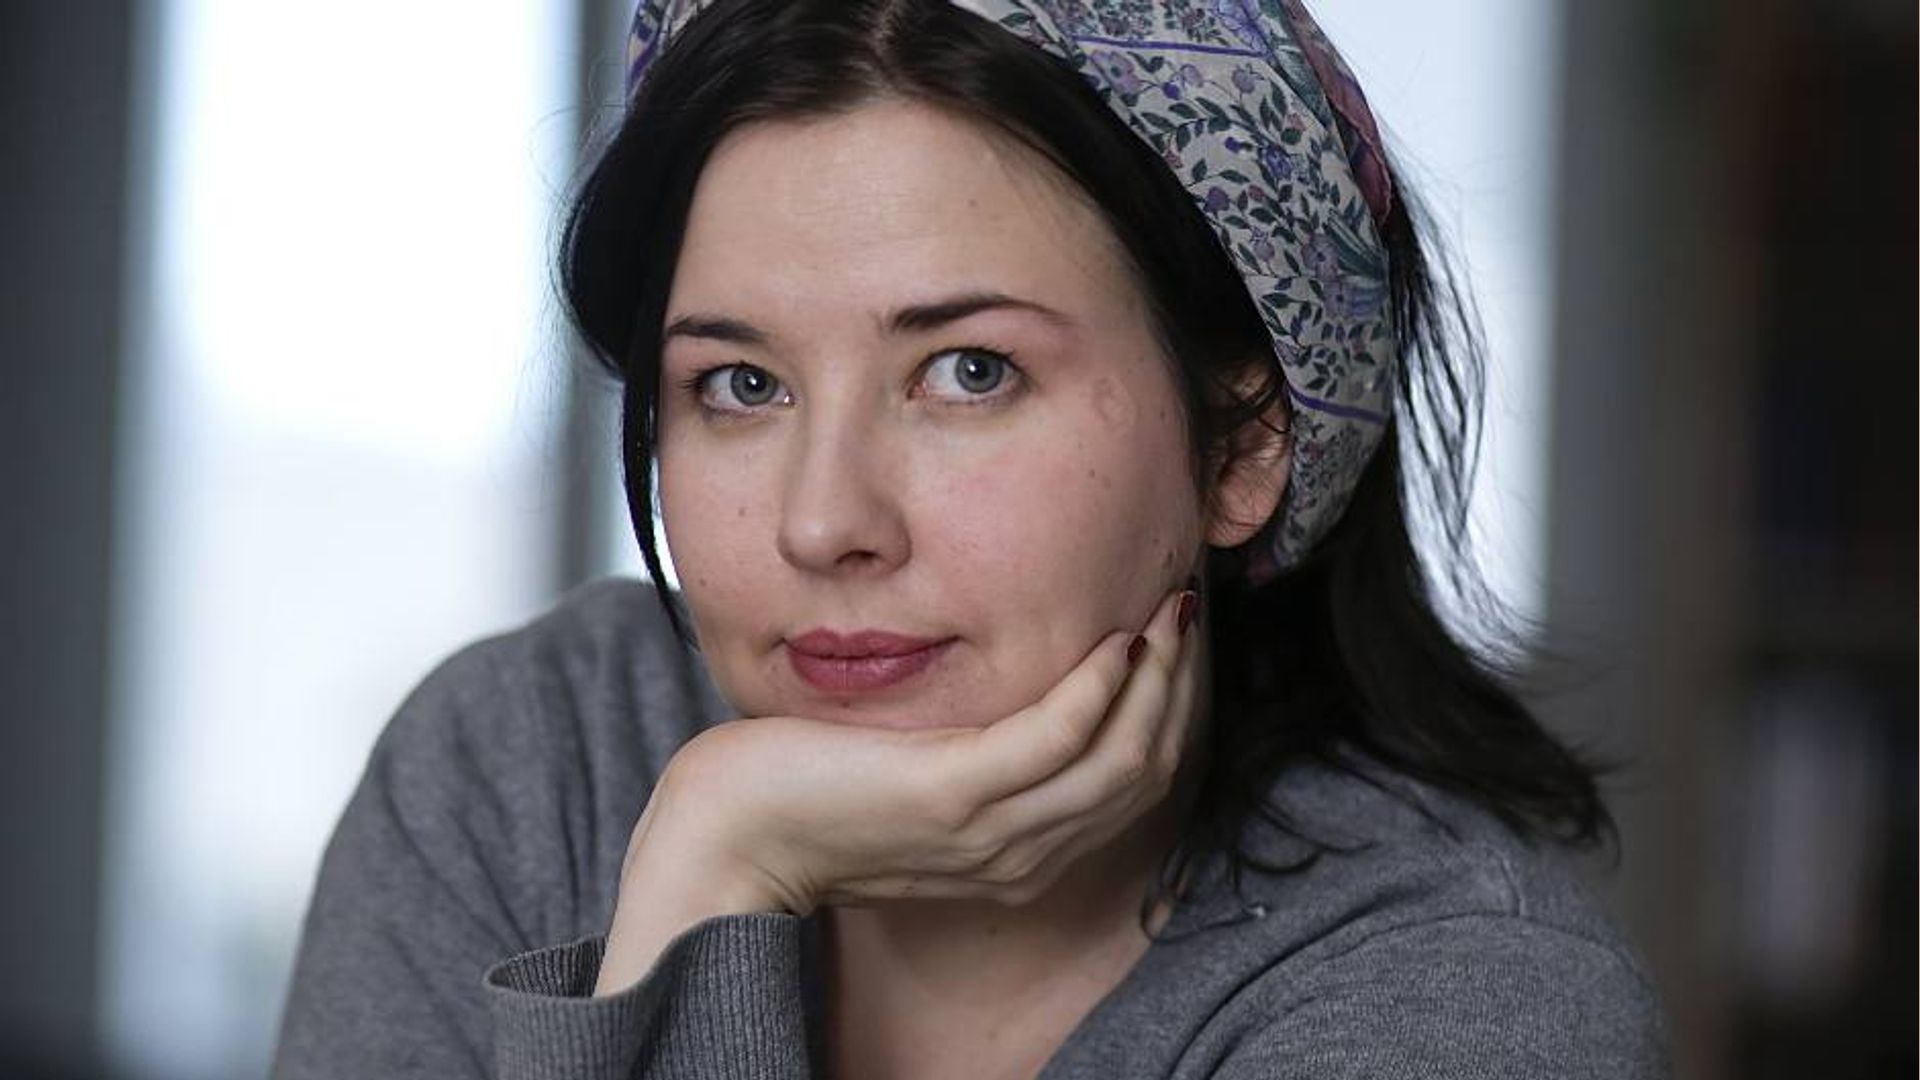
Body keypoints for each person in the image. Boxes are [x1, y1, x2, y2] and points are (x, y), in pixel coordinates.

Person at [270, 1, 1674, 1077]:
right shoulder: (526, 768)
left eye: (969, 372)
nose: (826, 521)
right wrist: (712, 867)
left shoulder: (1461, 1004)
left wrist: (716, 894)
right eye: (741, 386)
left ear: (1242, 445)